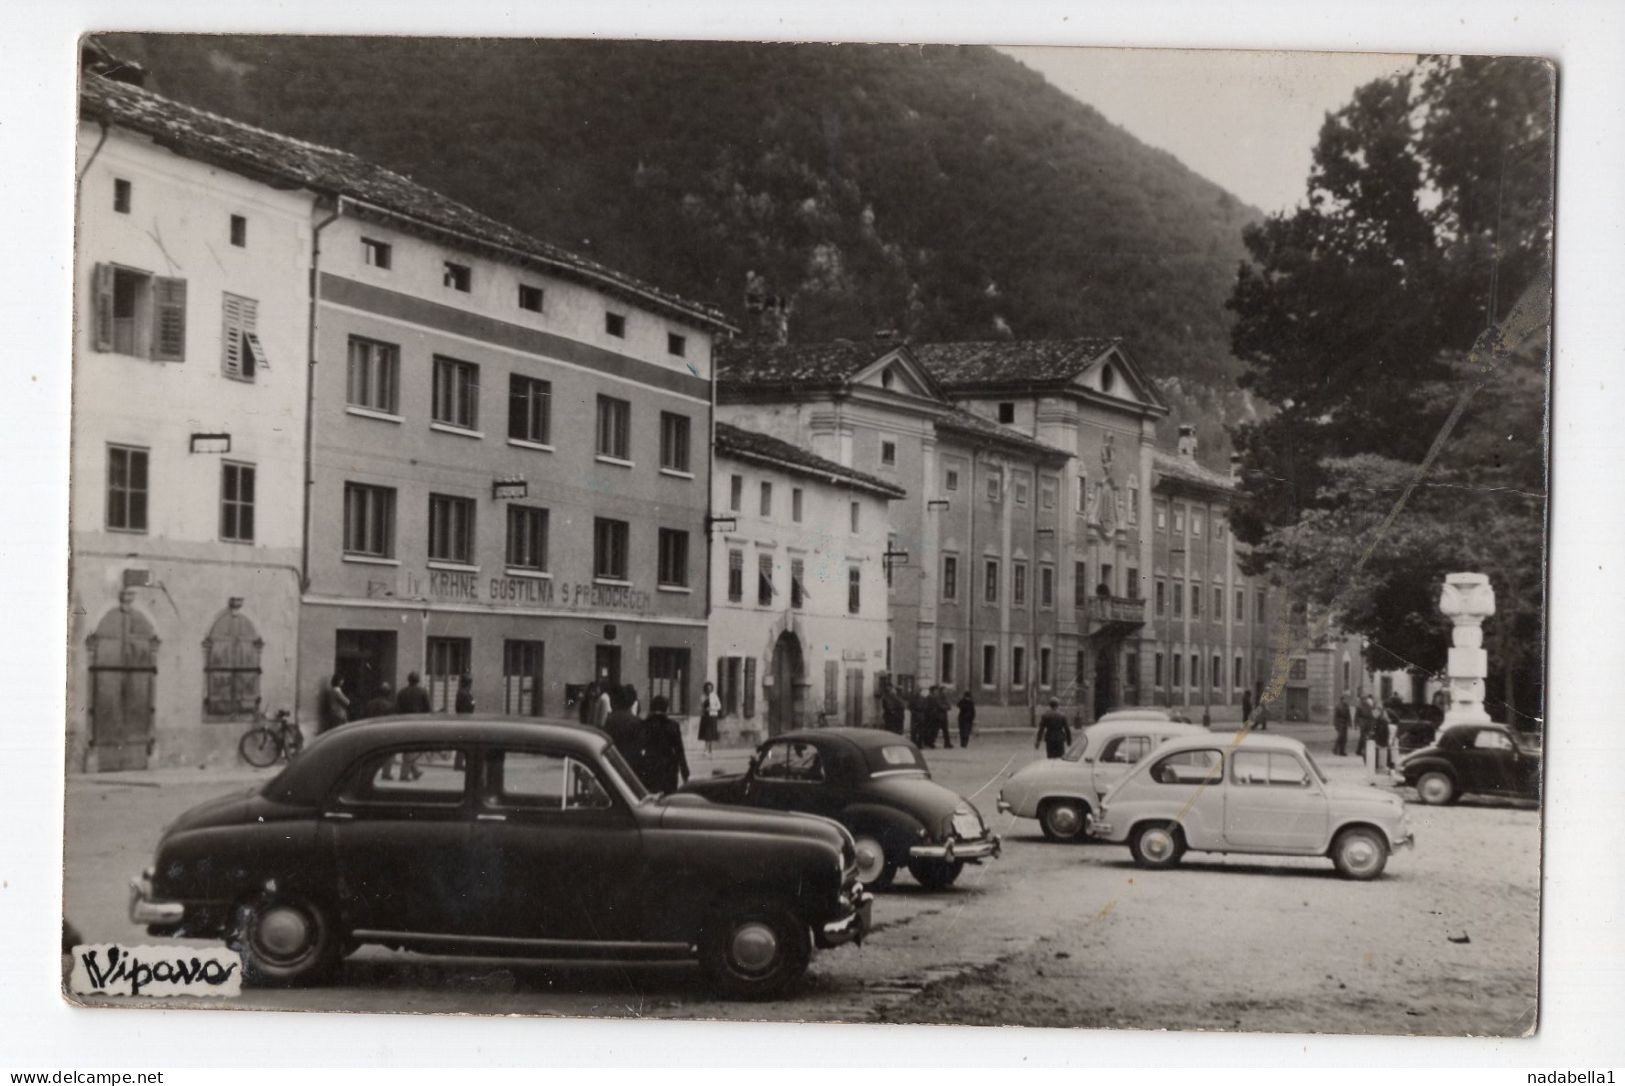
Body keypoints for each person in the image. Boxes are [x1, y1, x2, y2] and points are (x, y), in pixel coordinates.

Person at [640, 695, 691, 793]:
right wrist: (685, 773)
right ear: (665, 708)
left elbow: (640, 746)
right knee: (669, 797)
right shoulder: (673, 725)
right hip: (669, 767)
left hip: (651, 765)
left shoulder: (645, 724)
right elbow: (680, 751)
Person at [387, 671, 431, 781]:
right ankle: (404, 774)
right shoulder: (422, 692)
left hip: (404, 722)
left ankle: (415, 771)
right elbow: (428, 709)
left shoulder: (402, 692)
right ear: (418, 680)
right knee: (412, 749)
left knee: (408, 747)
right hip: (417, 722)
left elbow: (397, 709)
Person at [602, 686, 649, 784]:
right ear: (632, 703)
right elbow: (642, 744)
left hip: (614, 762)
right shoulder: (637, 722)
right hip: (632, 765)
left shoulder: (609, 720)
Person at [698, 681, 722, 756]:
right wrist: (702, 711)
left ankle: (705, 750)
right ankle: (710, 750)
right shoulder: (702, 696)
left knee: (709, 733)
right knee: (707, 733)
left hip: (712, 716)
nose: (709, 690)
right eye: (707, 688)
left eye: (710, 688)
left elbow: (719, 706)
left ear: (712, 689)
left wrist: (711, 708)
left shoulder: (714, 696)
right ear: (705, 689)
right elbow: (701, 706)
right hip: (705, 716)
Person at [1354, 693, 1377, 759]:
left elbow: (1373, 715)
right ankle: (1362, 751)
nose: (1364, 700)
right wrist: (1356, 724)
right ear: (1361, 700)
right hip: (1362, 722)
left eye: (1365, 699)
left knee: (1364, 737)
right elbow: (1356, 716)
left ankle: (1359, 750)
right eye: (1363, 699)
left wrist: (1373, 723)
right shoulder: (1359, 707)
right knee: (1363, 737)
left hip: (1368, 722)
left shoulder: (1369, 706)